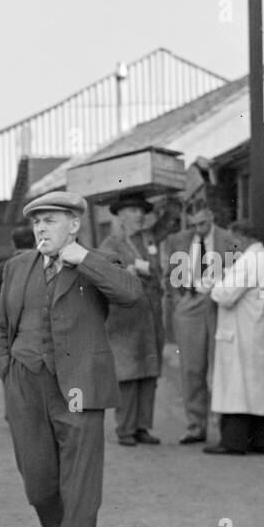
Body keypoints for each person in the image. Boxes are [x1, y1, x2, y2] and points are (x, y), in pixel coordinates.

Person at [0, 191, 142, 527]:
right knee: (39, 485)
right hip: (25, 383)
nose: (41, 228)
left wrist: (83, 259)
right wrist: (6, 368)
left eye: (51, 220)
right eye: (37, 221)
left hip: (79, 390)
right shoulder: (18, 267)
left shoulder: (95, 263)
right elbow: (0, 325)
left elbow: (132, 295)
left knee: (80, 491)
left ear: (73, 225)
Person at [202, 219, 264, 455]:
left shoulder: (249, 261)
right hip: (262, 332)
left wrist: (215, 282)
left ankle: (234, 441)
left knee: (237, 387)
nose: (231, 245)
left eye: (233, 240)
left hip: (242, 334)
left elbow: (226, 295)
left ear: (243, 238)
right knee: (261, 388)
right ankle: (261, 440)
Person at [164, 207, 241, 445]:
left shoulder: (228, 239)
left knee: (223, 363)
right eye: (194, 224)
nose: (198, 229)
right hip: (190, 301)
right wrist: (179, 300)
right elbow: (168, 275)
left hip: (220, 303)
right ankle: (196, 425)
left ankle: (225, 425)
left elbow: (239, 271)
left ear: (212, 219)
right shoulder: (179, 241)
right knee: (191, 367)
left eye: (203, 224)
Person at [100, 191, 164, 446]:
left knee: (149, 372)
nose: (140, 216)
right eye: (134, 211)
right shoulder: (111, 244)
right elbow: (104, 274)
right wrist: (126, 271)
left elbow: (160, 270)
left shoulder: (148, 241)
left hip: (149, 316)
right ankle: (125, 428)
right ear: (121, 215)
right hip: (123, 319)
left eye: (142, 211)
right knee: (127, 373)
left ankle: (142, 426)